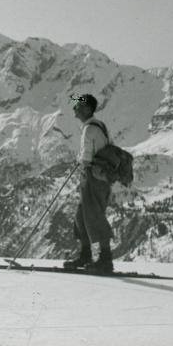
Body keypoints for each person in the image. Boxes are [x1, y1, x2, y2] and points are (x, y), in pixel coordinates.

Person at [62, 93, 114, 272]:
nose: (74, 109)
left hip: (93, 177)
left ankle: (105, 259)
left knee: (94, 216)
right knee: (81, 215)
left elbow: (86, 157)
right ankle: (86, 255)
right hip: (100, 178)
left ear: (87, 109)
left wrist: (79, 161)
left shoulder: (89, 129)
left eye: (77, 106)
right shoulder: (99, 126)